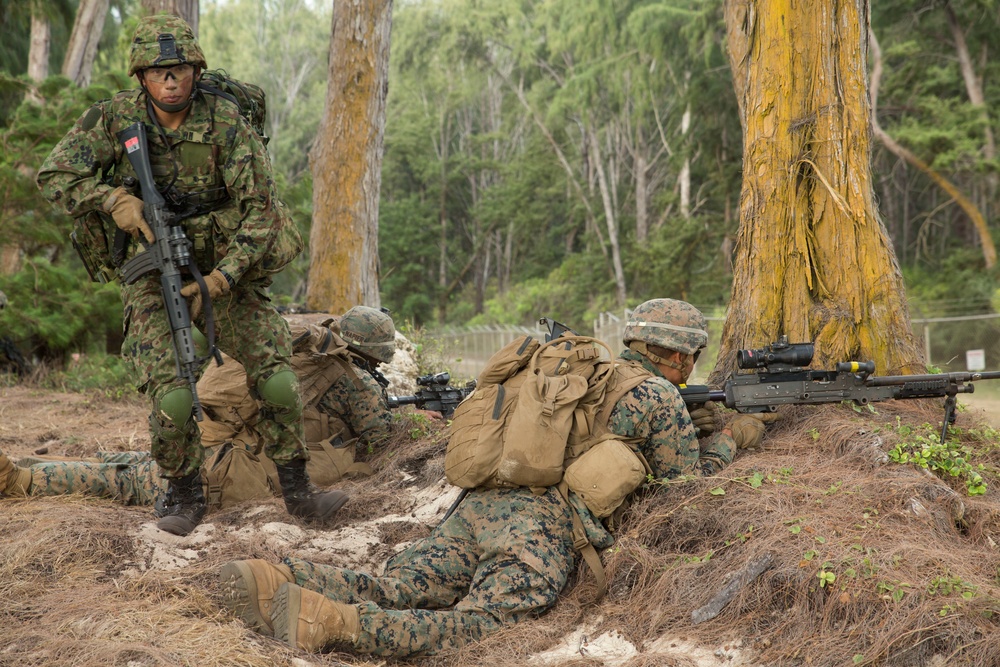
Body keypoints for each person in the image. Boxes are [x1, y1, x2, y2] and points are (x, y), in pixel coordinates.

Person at [218, 298, 769, 658]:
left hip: (475, 503)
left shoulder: (574, 366)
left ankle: (273, 576)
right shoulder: (656, 395)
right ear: (674, 353)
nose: (692, 367)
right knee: (483, 623)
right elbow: (683, 486)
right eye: (691, 356)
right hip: (539, 527)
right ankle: (335, 624)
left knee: (404, 585)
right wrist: (727, 440)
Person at [36, 15, 342, 536]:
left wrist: (222, 280)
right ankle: (183, 493)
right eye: (158, 72)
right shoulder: (113, 119)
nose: (170, 80)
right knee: (175, 396)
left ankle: (298, 491)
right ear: (140, 78)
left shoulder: (226, 121)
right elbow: (54, 174)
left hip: (225, 268)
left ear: (196, 70)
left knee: (279, 381)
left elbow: (262, 212)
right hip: (153, 271)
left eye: (179, 69)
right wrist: (112, 199)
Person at [0, 309, 398, 515]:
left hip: (211, 440)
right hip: (221, 466)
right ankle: (19, 478)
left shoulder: (303, 352)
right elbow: (383, 439)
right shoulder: (354, 381)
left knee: (134, 465)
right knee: (119, 480)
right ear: (377, 352)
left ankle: (32, 464)